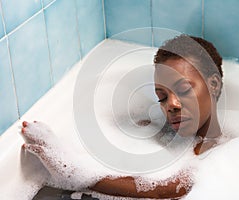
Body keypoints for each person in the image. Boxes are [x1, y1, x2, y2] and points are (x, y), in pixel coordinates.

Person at [21, 34, 225, 199]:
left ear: (213, 85)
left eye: (183, 89)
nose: (170, 104)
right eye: (161, 97)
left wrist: (72, 172)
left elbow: (170, 188)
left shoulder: (212, 148)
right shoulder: (165, 130)